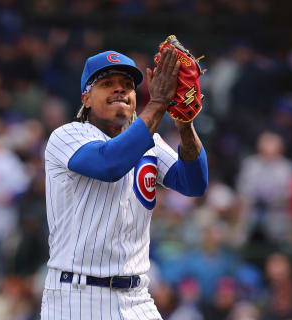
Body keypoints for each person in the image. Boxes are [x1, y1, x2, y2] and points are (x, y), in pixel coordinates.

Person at [42, 48, 208, 319]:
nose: (119, 90)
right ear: (85, 97)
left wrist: (184, 124)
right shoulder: (68, 136)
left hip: (137, 297)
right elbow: (110, 164)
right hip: (77, 297)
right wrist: (158, 104)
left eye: (127, 85)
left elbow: (194, 184)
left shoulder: (149, 141)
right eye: (107, 84)